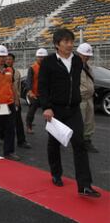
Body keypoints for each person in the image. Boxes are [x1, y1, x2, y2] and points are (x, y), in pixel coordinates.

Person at [38, 28, 100, 197]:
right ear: (57, 44)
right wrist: (46, 107)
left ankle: (85, 185)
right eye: (66, 42)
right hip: (55, 110)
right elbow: (42, 87)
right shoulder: (49, 62)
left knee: (79, 144)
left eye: (71, 41)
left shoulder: (78, 62)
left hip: (73, 109)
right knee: (55, 143)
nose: (70, 45)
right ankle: (56, 174)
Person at [5, 53, 31, 149]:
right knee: (1, 122)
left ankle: (21, 141)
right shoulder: (1, 72)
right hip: (3, 101)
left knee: (18, 121)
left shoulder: (17, 73)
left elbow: (18, 88)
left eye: (10, 59)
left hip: (14, 101)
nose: (8, 61)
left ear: (13, 61)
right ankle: (2, 137)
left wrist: (18, 99)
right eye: (6, 59)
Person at [76, 43, 98, 153]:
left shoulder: (87, 67)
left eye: (88, 55)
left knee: (89, 121)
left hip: (89, 98)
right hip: (80, 99)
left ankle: (87, 141)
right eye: (84, 55)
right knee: (80, 122)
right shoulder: (73, 66)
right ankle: (79, 143)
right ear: (79, 54)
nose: (87, 57)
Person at [25, 48, 48, 134]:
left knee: (48, 111)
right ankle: (29, 126)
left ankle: (51, 129)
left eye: (43, 57)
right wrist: (30, 91)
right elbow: (29, 81)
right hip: (34, 94)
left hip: (45, 94)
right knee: (32, 110)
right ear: (36, 57)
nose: (41, 59)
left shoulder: (48, 67)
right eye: (39, 57)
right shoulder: (32, 68)